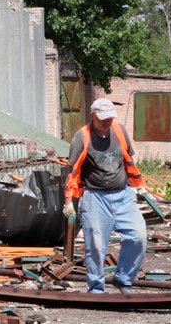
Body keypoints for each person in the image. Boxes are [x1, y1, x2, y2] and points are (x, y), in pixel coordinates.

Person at [62, 97, 148, 293]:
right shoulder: (81, 137)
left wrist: (138, 185)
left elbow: (128, 159)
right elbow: (72, 172)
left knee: (138, 237)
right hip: (95, 197)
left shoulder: (118, 130)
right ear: (92, 116)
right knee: (96, 245)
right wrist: (69, 202)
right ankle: (96, 289)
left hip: (123, 194)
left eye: (110, 118)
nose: (107, 123)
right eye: (103, 119)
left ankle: (123, 278)